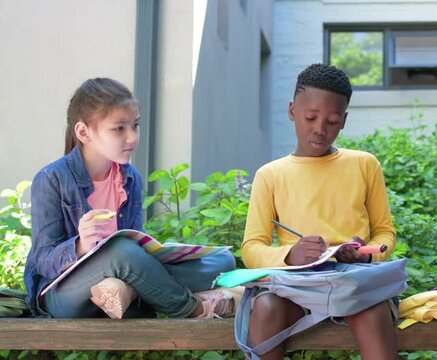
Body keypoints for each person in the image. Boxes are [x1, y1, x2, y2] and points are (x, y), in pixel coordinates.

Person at [25, 78, 237, 319]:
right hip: (63, 296)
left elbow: (136, 244)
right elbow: (42, 260)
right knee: (120, 251)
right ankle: (193, 308)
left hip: (121, 275)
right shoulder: (52, 179)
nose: (133, 137)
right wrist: (81, 245)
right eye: (119, 129)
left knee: (223, 261)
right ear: (84, 132)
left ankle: (125, 289)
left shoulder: (130, 178)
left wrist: (156, 252)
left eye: (135, 126)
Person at [241, 64, 398, 359]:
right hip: (296, 284)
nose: (320, 128)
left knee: (375, 311)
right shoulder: (270, 175)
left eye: (332, 120)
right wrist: (290, 255)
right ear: (291, 110)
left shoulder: (364, 165)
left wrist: (367, 252)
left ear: (344, 121)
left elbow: (385, 233)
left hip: (354, 280)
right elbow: (251, 248)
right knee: (265, 308)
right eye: (310, 117)